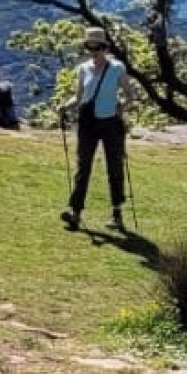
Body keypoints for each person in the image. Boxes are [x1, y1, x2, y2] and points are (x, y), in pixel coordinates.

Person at [61, 25, 135, 232]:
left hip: (110, 121)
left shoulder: (117, 68)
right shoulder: (83, 69)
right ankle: (75, 212)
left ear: (104, 47)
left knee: (115, 167)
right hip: (88, 122)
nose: (94, 52)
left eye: (98, 48)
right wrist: (64, 106)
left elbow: (130, 95)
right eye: (90, 48)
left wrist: (121, 106)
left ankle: (116, 213)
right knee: (83, 166)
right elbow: (78, 97)